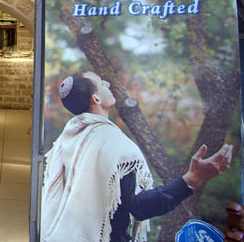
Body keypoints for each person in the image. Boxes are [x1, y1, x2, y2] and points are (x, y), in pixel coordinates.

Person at [41, 71, 233, 242]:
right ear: (96, 99)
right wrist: (192, 178)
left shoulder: (66, 140)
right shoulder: (111, 141)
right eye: (101, 83)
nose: (107, 84)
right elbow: (139, 207)